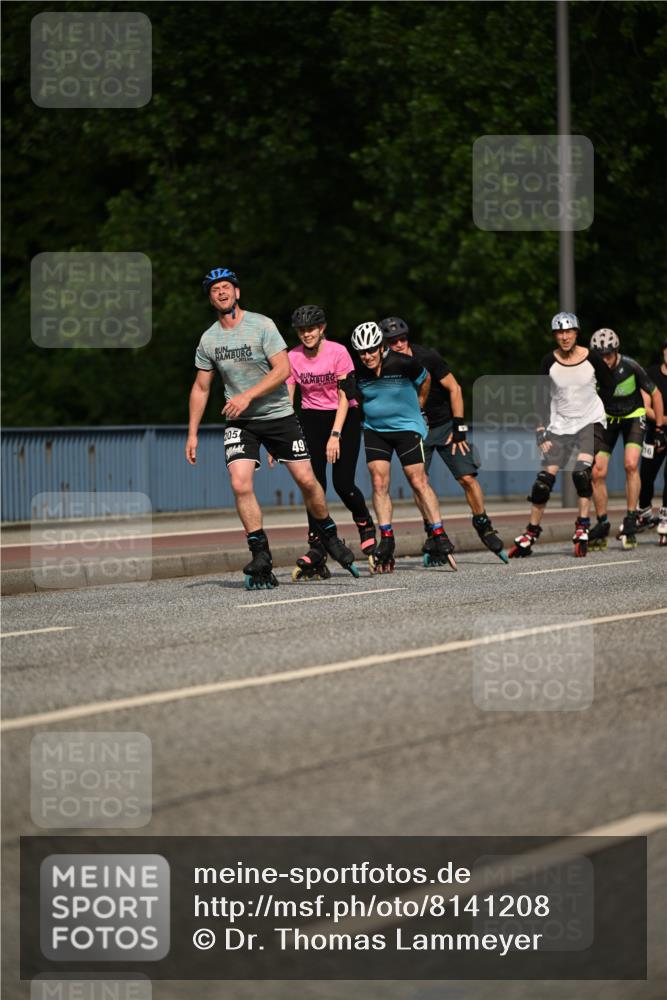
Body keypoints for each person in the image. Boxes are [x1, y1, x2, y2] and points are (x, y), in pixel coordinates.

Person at [186, 267, 360, 589]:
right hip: (241, 422)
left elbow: (283, 370)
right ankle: (260, 554)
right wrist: (192, 432)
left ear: (237, 292)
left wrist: (248, 395)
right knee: (239, 483)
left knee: (307, 480)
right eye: (215, 290)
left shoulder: (262, 325)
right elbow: (200, 387)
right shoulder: (209, 339)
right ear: (210, 298)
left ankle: (330, 535)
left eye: (226, 287)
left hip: (278, 415)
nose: (221, 293)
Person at [380, 316, 507, 563]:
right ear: (385, 344)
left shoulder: (427, 357)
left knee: (467, 478)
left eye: (403, 339)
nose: (399, 344)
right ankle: (433, 532)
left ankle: (483, 523)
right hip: (416, 430)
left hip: (445, 425)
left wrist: (460, 427)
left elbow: (455, 388)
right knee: (419, 483)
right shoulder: (384, 366)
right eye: (392, 341)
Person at [350, 321, 456, 572]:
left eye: (371, 351)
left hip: (407, 428)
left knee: (417, 481)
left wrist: (419, 406)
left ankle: (438, 532)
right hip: (376, 430)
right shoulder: (358, 370)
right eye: (361, 352)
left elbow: (426, 379)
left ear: (381, 347)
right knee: (378, 482)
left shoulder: (402, 362)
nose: (367, 357)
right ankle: (386, 537)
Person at [508, 311, 615, 559]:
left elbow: (609, 388)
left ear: (576, 333)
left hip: (590, 422)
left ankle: (582, 526)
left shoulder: (593, 358)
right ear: (555, 335)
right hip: (559, 426)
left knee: (580, 473)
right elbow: (541, 397)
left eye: (568, 332)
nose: (564, 337)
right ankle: (531, 531)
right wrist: (539, 431)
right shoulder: (549, 361)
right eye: (559, 332)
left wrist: (607, 414)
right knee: (543, 481)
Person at [286, 304, 376, 581]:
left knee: (342, 483)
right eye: (302, 330)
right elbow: (289, 396)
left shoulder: (339, 352)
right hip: (312, 418)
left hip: (344, 417)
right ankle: (316, 545)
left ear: (322, 329)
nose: (306, 334)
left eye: (311, 329)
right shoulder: (292, 357)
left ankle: (364, 523)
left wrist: (335, 435)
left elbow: (343, 396)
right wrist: (285, 434)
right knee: (313, 485)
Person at [588, 328, 665, 550]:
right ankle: (602, 523)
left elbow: (656, 395)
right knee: (596, 471)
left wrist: (659, 428)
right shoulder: (592, 371)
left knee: (631, 464)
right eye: (599, 355)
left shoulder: (630, 365)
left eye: (608, 354)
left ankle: (631, 518)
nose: (605, 359)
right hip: (608, 420)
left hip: (633, 417)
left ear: (616, 351)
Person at [637, 339, 667, 546]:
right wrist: (661, 420)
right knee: (646, 475)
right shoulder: (651, 373)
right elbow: (644, 404)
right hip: (654, 431)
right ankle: (644, 510)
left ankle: (665, 516)